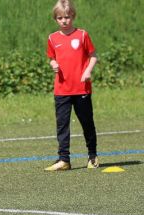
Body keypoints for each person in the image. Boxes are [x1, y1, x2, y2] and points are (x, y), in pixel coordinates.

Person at [45, 0, 99, 171]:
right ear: (56, 19)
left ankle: (92, 156)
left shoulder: (82, 35)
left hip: (81, 88)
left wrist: (87, 71)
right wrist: (53, 64)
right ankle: (64, 160)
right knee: (62, 125)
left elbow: (93, 56)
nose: (64, 21)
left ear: (73, 16)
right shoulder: (52, 38)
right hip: (62, 90)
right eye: (60, 18)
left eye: (67, 17)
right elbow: (52, 57)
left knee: (87, 122)